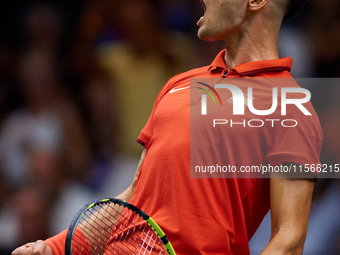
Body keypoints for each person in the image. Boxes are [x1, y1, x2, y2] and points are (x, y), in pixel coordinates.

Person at [12, 0, 324, 254]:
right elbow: (135, 196)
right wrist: (52, 247)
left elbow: (289, 240)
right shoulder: (181, 83)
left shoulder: (290, 107)